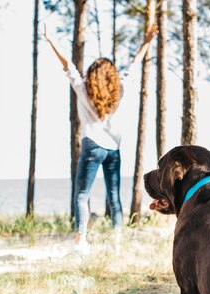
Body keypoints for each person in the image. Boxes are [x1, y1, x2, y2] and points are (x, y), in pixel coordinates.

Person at [44, 24, 158, 253]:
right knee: (114, 195)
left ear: (92, 77)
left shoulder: (83, 89)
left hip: (92, 146)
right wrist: (147, 40)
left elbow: (68, 65)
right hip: (113, 149)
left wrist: (50, 39)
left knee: (82, 194)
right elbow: (135, 63)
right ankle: (117, 241)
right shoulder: (122, 88)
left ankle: (80, 241)